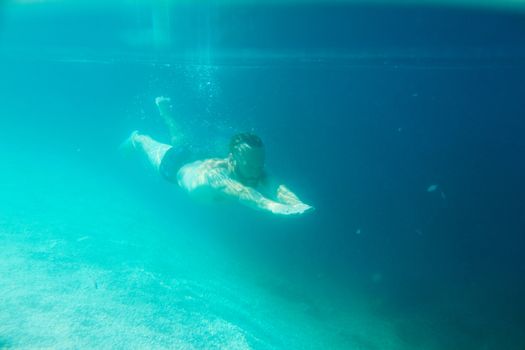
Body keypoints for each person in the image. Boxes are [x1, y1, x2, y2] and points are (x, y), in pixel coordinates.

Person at [122, 96, 313, 216]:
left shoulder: (255, 167)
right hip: (174, 166)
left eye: (260, 162)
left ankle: (166, 113)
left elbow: (277, 187)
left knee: (181, 140)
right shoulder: (217, 176)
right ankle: (135, 137)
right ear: (232, 159)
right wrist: (276, 207)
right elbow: (242, 193)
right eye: (250, 164)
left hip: (199, 158)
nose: (258, 169)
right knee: (148, 144)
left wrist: (297, 203)